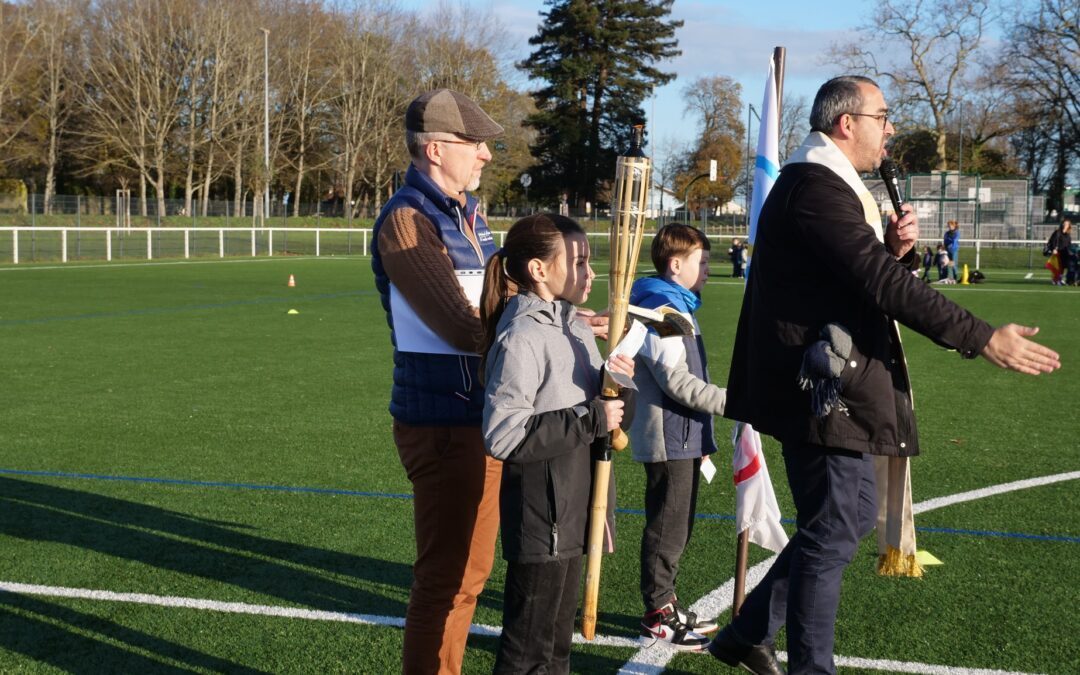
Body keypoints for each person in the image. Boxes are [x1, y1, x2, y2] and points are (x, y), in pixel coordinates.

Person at [709, 75, 1061, 675]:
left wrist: (889, 251)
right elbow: (880, 284)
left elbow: (855, 276)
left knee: (837, 523)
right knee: (836, 528)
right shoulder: (816, 188)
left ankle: (746, 634)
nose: (890, 126)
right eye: (883, 115)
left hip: (829, 381)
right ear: (847, 123)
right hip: (819, 388)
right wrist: (980, 337)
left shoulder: (825, 186)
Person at [370, 89, 505, 675]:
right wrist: (534, 330)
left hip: (484, 417)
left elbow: (505, 306)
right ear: (434, 149)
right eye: (474, 144)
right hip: (444, 422)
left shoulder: (472, 217)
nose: (485, 156)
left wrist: (566, 321)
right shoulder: (406, 220)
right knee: (445, 579)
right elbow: (459, 325)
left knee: (470, 577)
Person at [479, 213, 635, 673]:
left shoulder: (577, 326)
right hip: (541, 518)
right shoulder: (522, 336)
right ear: (539, 270)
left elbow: (603, 416)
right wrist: (591, 416)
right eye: (579, 262)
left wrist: (619, 386)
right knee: (528, 649)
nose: (590, 273)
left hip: (574, 511)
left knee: (557, 648)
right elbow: (503, 435)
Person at [628, 224, 726, 651]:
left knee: (677, 524)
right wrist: (734, 402)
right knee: (668, 526)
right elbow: (676, 382)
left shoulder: (677, 306)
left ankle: (666, 602)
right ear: (675, 265)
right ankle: (657, 613)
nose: (707, 269)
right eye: (700, 262)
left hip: (683, 433)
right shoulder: (662, 308)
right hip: (669, 436)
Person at [1046, 219, 1073, 286]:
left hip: (1065, 252)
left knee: (1063, 267)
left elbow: (1069, 244)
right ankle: (1055, 279)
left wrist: (1070, 251)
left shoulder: (1068, 234)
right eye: (1064, 224)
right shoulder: (1058, 232)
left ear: (1069, 226)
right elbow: (1052, 241)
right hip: (1057, 252)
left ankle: (1060, 279)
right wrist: (1054, 249)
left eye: (1067, 224)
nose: (1065, 225)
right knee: (1057, 267)